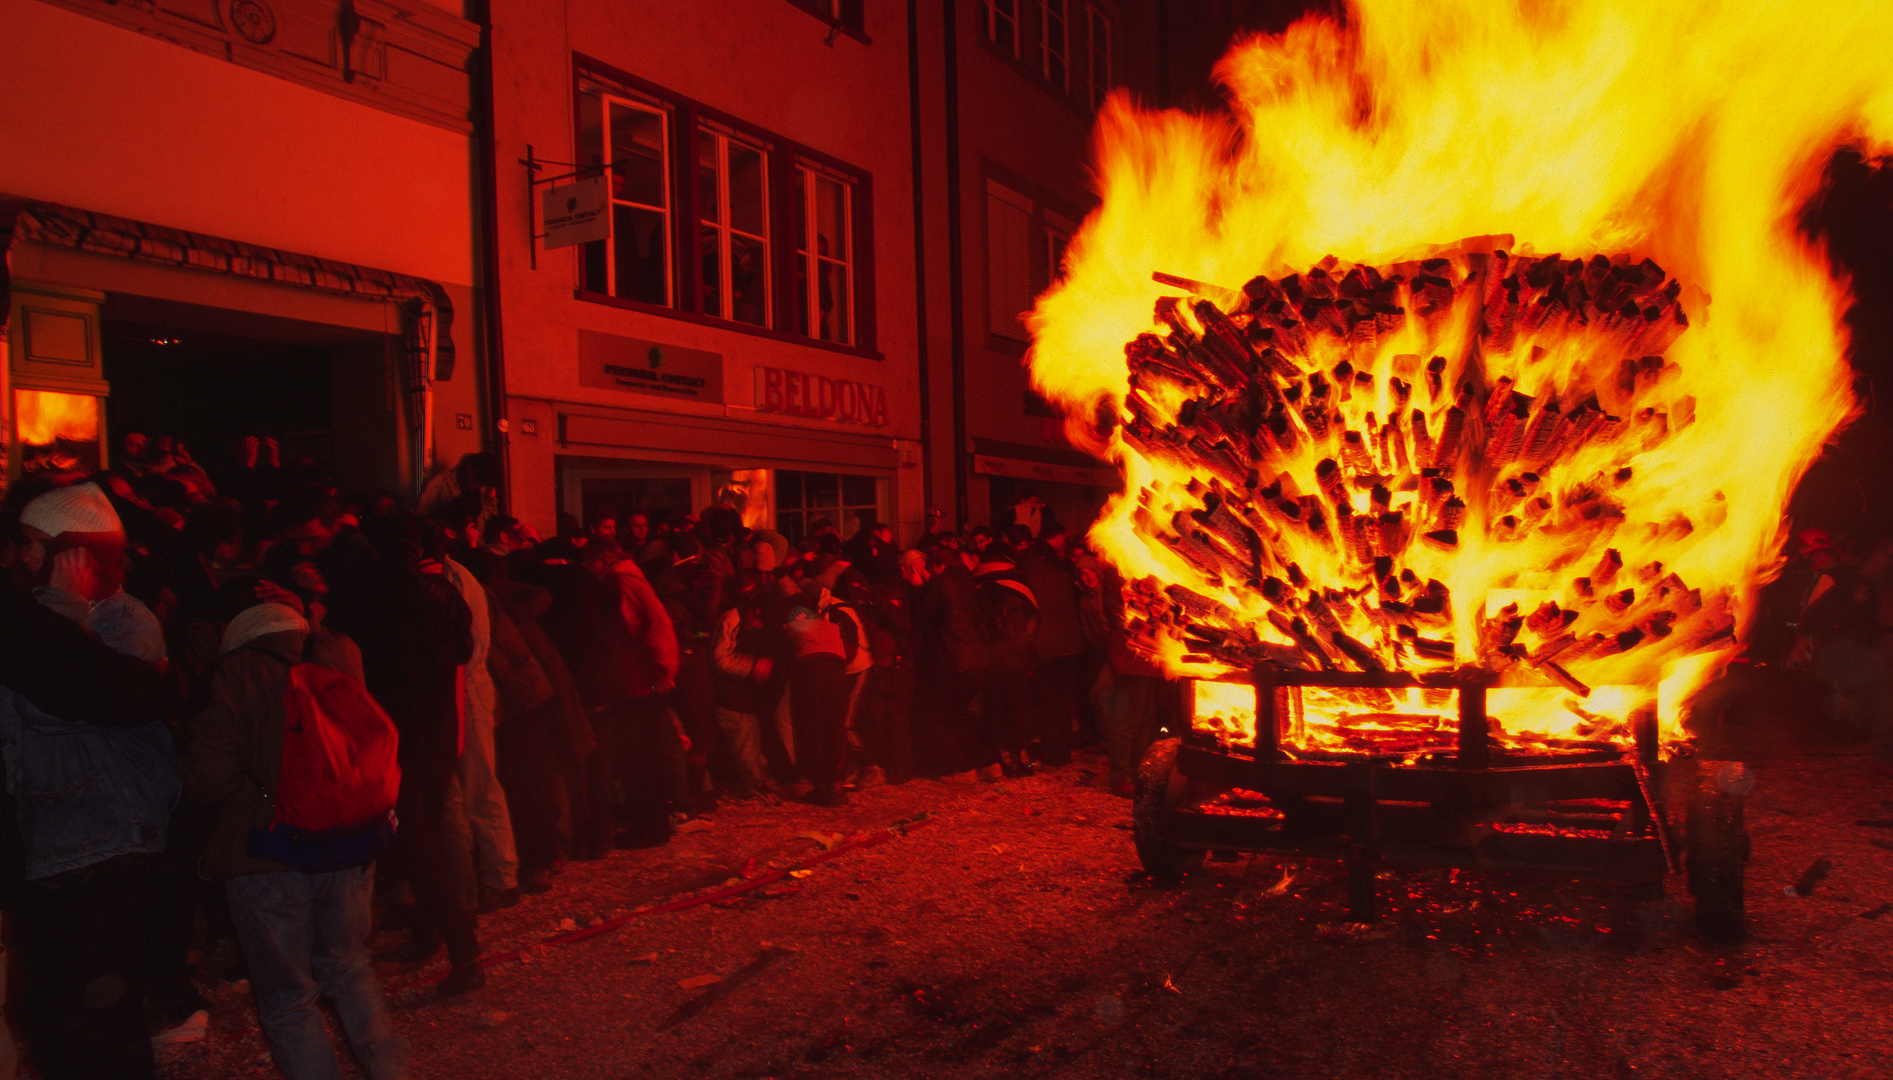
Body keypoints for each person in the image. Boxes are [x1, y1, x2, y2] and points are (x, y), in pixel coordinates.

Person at [176, 600, 410, 1080]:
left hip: (269, 854)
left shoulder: (236, 673)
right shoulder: (338, 658)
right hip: (348, 844)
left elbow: (208, 779)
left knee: (288, 1000)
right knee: (350, 968)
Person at [0, 483, 180, 1080]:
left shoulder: (125, 620)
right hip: (59, 841)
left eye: (33, 543)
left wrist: (62, 607)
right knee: (62, 1024)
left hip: (107, 841)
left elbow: (56, 706)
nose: (22, 555)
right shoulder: (37, 615)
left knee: (98, 1028)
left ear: (71, 551)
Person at [326, 514, 482, 995]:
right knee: (426, 832)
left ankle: (463, 951)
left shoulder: (359, 597)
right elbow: (464, 652)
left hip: (392, 735)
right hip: (437, 729)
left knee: (418, 845)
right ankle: (428, 933)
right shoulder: (441, 593)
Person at [913, 544, 998, 780]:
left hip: (955, 660)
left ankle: (961, 768)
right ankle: (987, 763)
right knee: (952, 715)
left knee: (931, 714)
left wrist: (920, 587)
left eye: (929, 569)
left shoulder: (940, 581)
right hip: (978, 658)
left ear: (939, 566)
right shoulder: (968, 582)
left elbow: (922, 614)